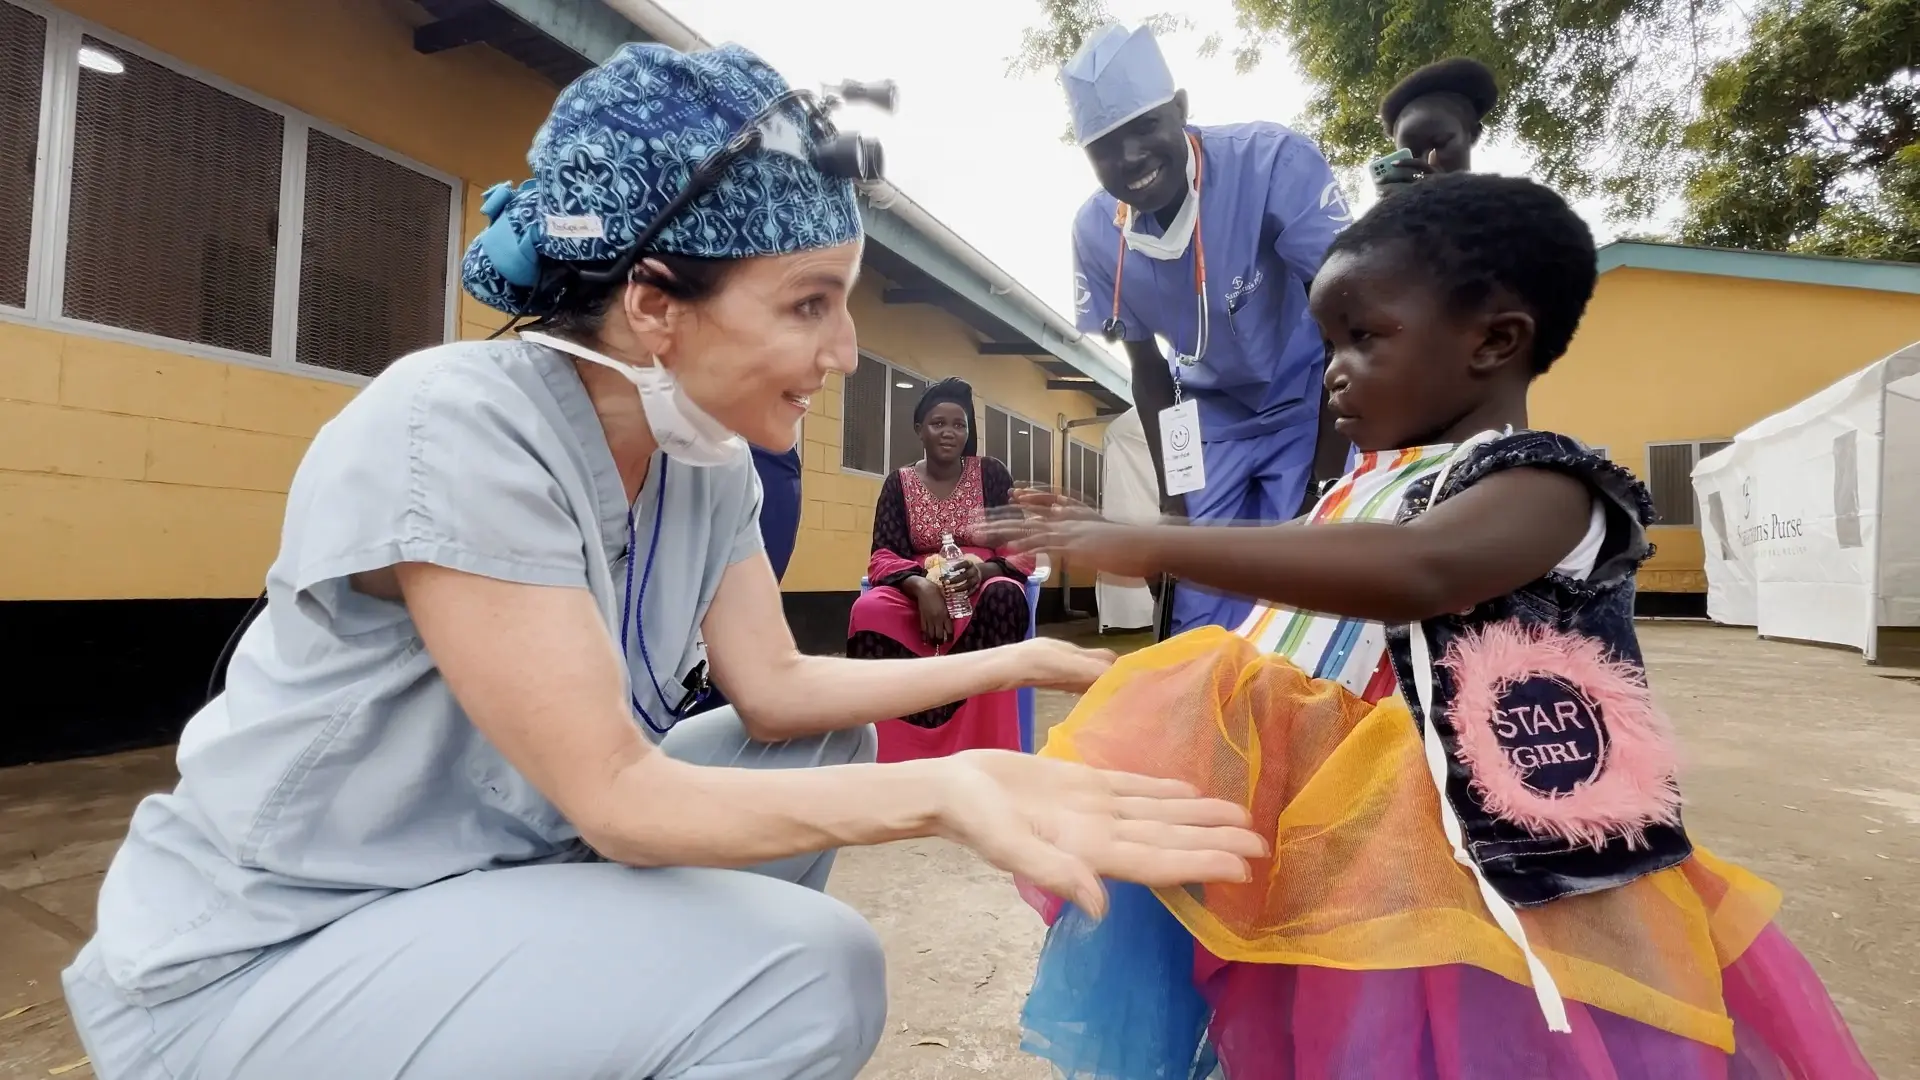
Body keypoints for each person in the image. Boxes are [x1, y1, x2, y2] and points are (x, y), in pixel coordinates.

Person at [58, 42, 1266, 1080]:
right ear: (653, 302)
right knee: (811, 974)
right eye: (808, 305)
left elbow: (778, 689)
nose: (846, 351)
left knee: (815, 740)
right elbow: (620, 803)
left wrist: (1055, 659)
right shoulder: (456, 429)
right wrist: (954, 791)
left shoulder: (705, 461)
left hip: (478, 880)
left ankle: (649, 1025)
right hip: (278, 951)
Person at [999, 174, 1871, 1078]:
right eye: (1328, 341)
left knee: (1446, 1044)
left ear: (1495, 341)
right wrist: (1161, 548)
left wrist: (1151, 541)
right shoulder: (1365, 481)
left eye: (1364, 338)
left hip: (1471, 861)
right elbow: (1298, 566)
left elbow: (1420, 572)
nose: (1333, 368)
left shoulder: (1546, 486)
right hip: (1330, 829)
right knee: (1307, 1020)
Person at [1061, 24, 1354, 642]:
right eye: (1105, 146)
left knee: (1298, 589)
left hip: (1305, 394)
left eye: (1145, 126)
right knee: (1197, 592)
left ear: (1181, 109)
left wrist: (1324, 483)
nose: (1131, 157)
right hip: (1207, 416)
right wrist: (1172, 504)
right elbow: (1149, 373)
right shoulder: (1096, 233)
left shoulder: (1270, 162)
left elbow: (1346, 327)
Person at [847, 378, 1037, 762]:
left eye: (959, 424)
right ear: (919, 429)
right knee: (868, 611)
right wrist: (922, 588)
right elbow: (883, 554)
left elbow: (1018, 548)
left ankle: (986, 749)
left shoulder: (991, 474)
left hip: (981, 582)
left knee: (1003, 598)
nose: (949, 433)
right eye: (938, 424)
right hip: (917, 584)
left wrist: (981, 572)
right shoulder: (899, 483)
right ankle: (890, 749)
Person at [1373, 57, 1499, 190]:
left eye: (1439, 144)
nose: (1427, 162)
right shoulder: (1401, 209)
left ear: (1473, 133)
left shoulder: (1509, 203)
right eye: (1411, 155)